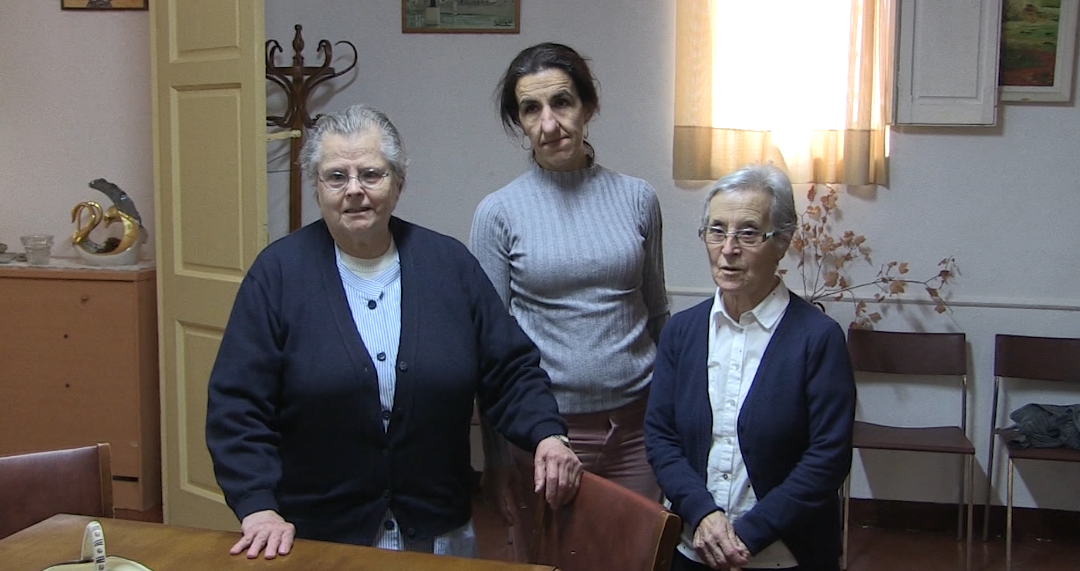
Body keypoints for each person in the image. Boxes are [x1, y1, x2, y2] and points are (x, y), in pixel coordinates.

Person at [205, 103, 582, 560]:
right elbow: (238, 406)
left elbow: (510, 369)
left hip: (439, 529)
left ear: (398, 183)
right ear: (316, 187)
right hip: (318, 536)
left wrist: (546, 434)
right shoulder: (278, 275)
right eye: (336, 177)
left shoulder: (449, 265)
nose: (354, 190)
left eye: (371, 174)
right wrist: (257, 506)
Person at [469, 42, 669, 558]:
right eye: (530, 109)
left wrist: (670, 426)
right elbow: (491, 352)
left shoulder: (638, 199)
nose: (549, 123)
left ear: (588, 106)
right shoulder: (498, 213)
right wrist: (496, 459)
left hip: (637, 431)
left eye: (561, 102)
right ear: (518, 122)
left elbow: (658, 315)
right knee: (550, 561)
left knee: (632, 560)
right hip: (545, 439)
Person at [644, 164, 856, 571]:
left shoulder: (817, 338)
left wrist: (749, 533)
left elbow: (827, 458)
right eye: (717, 230)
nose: (729, 248)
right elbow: (661, 437)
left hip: (784, 556)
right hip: (693, 547)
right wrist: (703, 515)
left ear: (783, 242)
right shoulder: (682, 332)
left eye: (748, 233)